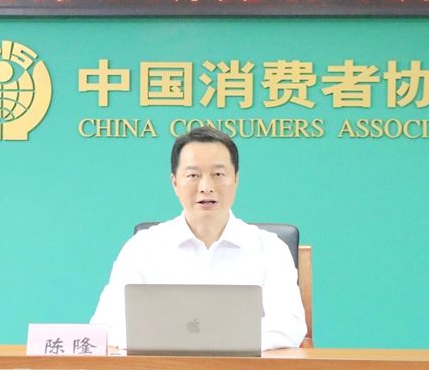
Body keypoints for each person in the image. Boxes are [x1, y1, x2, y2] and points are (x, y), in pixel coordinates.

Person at [90, 126, 307, 350]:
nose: (206, 187)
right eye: (193, 175)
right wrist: (193, 344)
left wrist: (201, 342)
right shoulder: (143, 248)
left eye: (218, 174)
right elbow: (107, 326)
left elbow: (288, 327)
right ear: (175, 182)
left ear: (236, 179)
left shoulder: (270, 249)